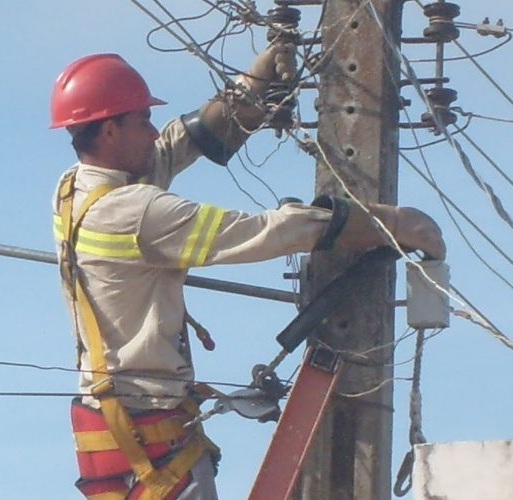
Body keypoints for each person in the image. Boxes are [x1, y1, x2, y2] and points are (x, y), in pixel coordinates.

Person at [50, 45, 445, 500]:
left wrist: (249, 90)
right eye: (142, 120)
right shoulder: (138, 214)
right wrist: (392, 224)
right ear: (110, 129)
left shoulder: (71, 193)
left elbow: (169, 149)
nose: (152, 129)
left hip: (112, 424)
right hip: (149, 430)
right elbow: (263, 233)